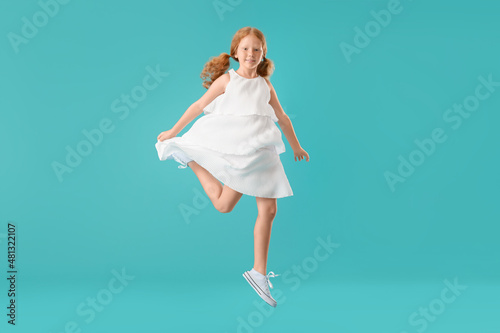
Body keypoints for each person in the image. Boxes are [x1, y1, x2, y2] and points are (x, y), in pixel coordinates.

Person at [155, 26, 309, 307]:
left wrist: (296, 146)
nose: (251, 54)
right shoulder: (227, 80)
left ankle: (258, 272)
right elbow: (199, 105)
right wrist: (174, 130)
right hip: (241, 152)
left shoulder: (265, 84)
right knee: (224, 206)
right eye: (246, 49)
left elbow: (282, 117)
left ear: (264, 54)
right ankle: (190, 159)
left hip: (264, 150)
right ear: (236, 52)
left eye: (257, 49)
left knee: (270, 209)